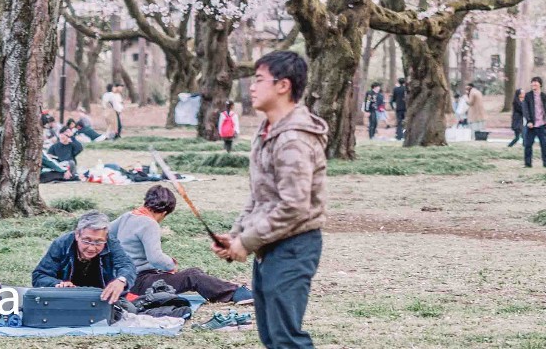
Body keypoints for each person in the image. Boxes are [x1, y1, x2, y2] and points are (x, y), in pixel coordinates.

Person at [212, 50, 327, 349]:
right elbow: (260, 196)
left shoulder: (294, 138)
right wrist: (237, 235)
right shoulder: (265, 133)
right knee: (271, 336)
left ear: (283, 86)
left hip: (294, 246)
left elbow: (294, 206)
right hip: (269, 245)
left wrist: (247, 242)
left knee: (286, 339)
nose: (251, 87)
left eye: (259, 80)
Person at [110, 186, 249, 304]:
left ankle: (226, 290)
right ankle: (235, 293)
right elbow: (156, 259)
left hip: (124, 279)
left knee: (193, 273)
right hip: (140, 283)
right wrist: (172, 265)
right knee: (192, 276)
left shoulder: (128, 216)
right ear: (164, 213)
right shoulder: (149, 223)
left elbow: (106, 233)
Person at [31, 211, 133, 303]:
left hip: (102, 299)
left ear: (106, 238)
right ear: (77, 235)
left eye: (98, 242)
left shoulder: (111, 243)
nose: (92, 248)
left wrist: (121, 280)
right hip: (65, 299)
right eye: (86, 241)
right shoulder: (62, 244)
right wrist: (58, 284)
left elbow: (127, 265)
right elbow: (39, 276)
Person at [517, 76, 546, 168]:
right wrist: (529, 121)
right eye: (532, 82)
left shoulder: (544, 96)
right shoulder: (528, 96)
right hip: (531, 125)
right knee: (528, 145)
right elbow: (525, 110)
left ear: (540, 84)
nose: (534, 84)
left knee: (544, 145)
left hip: (542, 125)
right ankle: (528, 164)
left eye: (536, 82)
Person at [390, 79, 408, 143]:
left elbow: (392, 99)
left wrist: (392, 106)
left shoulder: (396, 89)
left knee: (399, 122)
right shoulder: (407, 89)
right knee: (406, 122)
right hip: (406, 108)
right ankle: (404, 135)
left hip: (398, 108)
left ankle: (399, 136)